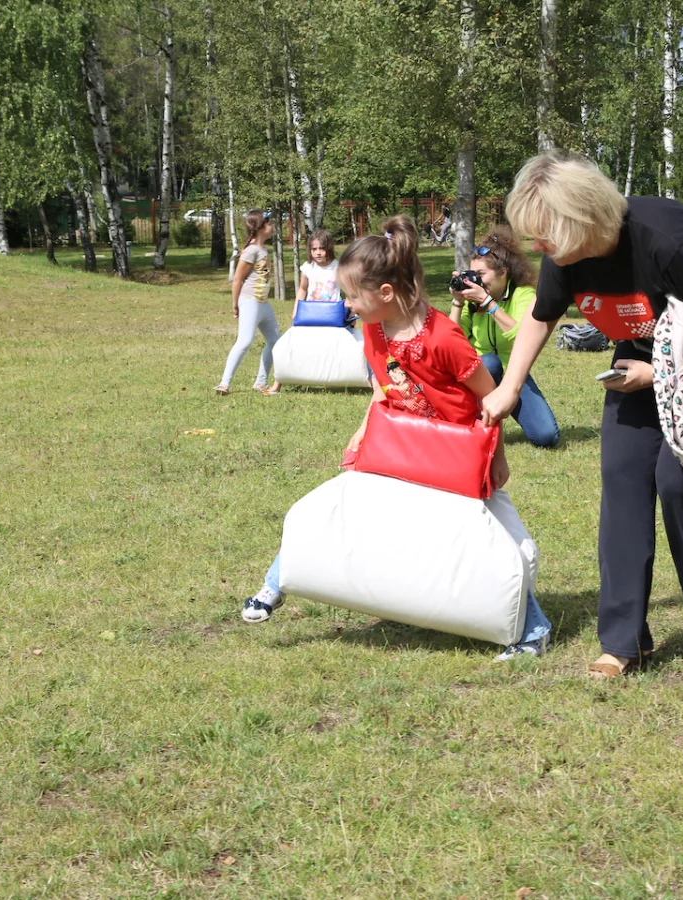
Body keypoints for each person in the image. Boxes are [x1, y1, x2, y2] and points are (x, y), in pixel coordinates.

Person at [482, 151, 683, 678]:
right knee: (623, 477)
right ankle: (624, 641)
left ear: (580, 219)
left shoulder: (663, 240)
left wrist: (661, 376)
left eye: (544, 236)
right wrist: (509, 389)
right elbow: (541, 319)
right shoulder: (564, 257)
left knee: (681, 480)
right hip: (641, 356)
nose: (534, 248)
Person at [240, 215, 553, 660]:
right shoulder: (373, 325)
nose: (346, 305)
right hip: (397, 442)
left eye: (352, 295)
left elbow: (493, 399)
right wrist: (365, 428)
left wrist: (495, 456)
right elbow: (381, 385)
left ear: (385, 293)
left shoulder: (444, 337)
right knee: (343, 504)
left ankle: (534, 628)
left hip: (454, 453)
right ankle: (277, 582)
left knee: (484, 541)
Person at [448, 226, 560, 448]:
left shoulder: (523, 295)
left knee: (547, 436)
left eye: (480, 275)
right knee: (489, 361)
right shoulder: (471, 302)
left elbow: (523, 335)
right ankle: (479, 425)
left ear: (503, 272)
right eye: (471, 275)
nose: (475, 282)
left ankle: (487, 417)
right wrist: (458, 302)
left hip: (513, 374)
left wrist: (488, 304)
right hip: (478, 374)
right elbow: (450, 340)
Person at [261, 229, 342, 396]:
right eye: (314, 249)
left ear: (329, 248)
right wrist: (296, 310)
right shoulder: (308, 268)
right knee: (292, 345)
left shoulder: (339, 267)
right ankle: (278, 383)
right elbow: (302, 289)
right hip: (310, 314)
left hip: (332, 316)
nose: (318, 253)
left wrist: (350, 312)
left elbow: (349, 291)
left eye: (321, 248)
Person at [216, 210, 281, 395]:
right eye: (269, 224)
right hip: (250, 302)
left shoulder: (262, 248)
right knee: (244, 341)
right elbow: (237, 279)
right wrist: (235, 304)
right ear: (261, 227)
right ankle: (224, 384)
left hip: (263, 304)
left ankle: (261, 382)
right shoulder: (251, 251)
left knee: (275, 341)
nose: (272, 227)